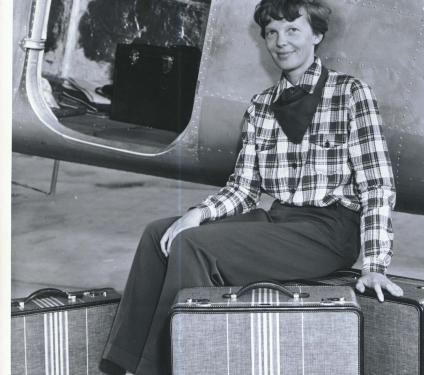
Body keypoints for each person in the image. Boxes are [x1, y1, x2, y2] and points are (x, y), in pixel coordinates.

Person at [100, 0, 403, 374]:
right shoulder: (261, 105)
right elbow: (243, 188)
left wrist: (375, 265)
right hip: (279, 220)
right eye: (272, 32)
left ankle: (172, 367)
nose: (281, 41)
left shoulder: (351, 93)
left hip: (330, 230)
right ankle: (124, 363)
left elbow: (377, 185)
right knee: (158, 233)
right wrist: (199, 212)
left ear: (317, 35)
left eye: (293, 29)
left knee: (194, 246)